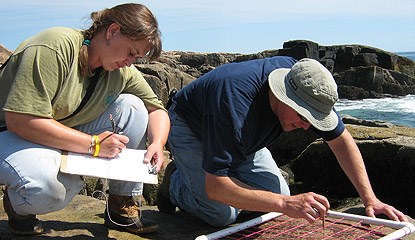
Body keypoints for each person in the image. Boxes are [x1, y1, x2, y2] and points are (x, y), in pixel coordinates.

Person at [156, 56, 408, 227]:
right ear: (282, 96)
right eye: (303, 116)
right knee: (222, 213)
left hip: (243, 139)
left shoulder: (306, 80)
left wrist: (370, 199)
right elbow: (217, 188)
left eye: (314, 119)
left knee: (277, 196)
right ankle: (175, 183)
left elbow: (341, 140)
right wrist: (286, 204)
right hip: (192, 126)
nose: (307, 126)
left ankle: (218, 171)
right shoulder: (234, 102)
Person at [0, 3, 170, 236]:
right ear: (112, 32)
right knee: (49, 191)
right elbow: (20, 120)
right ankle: (19, 206)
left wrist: (158, 143)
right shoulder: (54, 46)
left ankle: (121, 207)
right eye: (131, 52)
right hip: (10, 134)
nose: (131, 62)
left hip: (55, 129)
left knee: (133, 107)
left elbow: (156, 109)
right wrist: (94, 145)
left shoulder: (120, 71)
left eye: (137, 57)